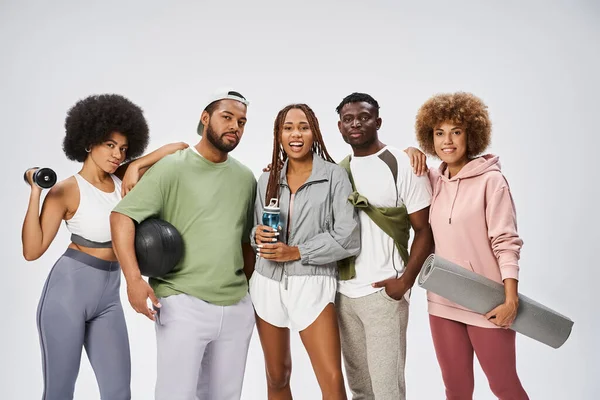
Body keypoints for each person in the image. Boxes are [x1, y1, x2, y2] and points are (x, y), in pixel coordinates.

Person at [21, 93, 188, 400]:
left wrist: (136, 166)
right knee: (59, 391)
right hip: (67, 293)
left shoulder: (121, 179)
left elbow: (178, 149)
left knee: (118, 393)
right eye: (109, 145)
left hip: (109, 297)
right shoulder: (66, 190)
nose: (117, 154)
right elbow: (32, 250)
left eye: (123, 149)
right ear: (88, 142)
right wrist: (36, 193)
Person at [110, 89, 257, 400]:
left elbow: (246, 241)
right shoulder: (173, 167)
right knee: (174, 395)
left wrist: (249, 291)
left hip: (236, 308)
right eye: (227, 117)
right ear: (205, 119)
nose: (235, 127)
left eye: (241, 122)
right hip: (182, 302)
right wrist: (133, 280)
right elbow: (122, 217)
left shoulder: (245, 178)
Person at [405, 91, 529, 399]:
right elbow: (403, 172)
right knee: (456, 390)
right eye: (439, 133)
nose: (447, 141)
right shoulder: (432, 179)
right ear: (429, 138)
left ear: (471, 135)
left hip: (487, 302)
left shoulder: (492, 182)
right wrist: (408, 151)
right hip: (443, 300)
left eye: (456, 132)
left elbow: (506, 242)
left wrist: (510, 300)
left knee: (504, 386)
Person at [250, 103, 360, 400]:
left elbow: (348, 237)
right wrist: (256, 235)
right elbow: (254, 234)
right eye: (288, 128)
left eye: (303, 127)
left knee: (332, 381)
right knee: (276, 377)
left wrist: (297, 252)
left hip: (312, 283)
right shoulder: (267, 179)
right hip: (267, 284)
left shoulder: (334, 176)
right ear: (279, 135)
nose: (295, 134)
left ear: (314, 133)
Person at [334, 92, 434, 400]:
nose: (356, 124)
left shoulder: (401, 162)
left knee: (388, 391)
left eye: (364, 117)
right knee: (361, 389)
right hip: (344, 295)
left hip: (382, 294)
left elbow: (424, 231)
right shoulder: (339, 170)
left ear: (377, 121)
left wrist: (403, 283)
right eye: (348, 119)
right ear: (339, 126)